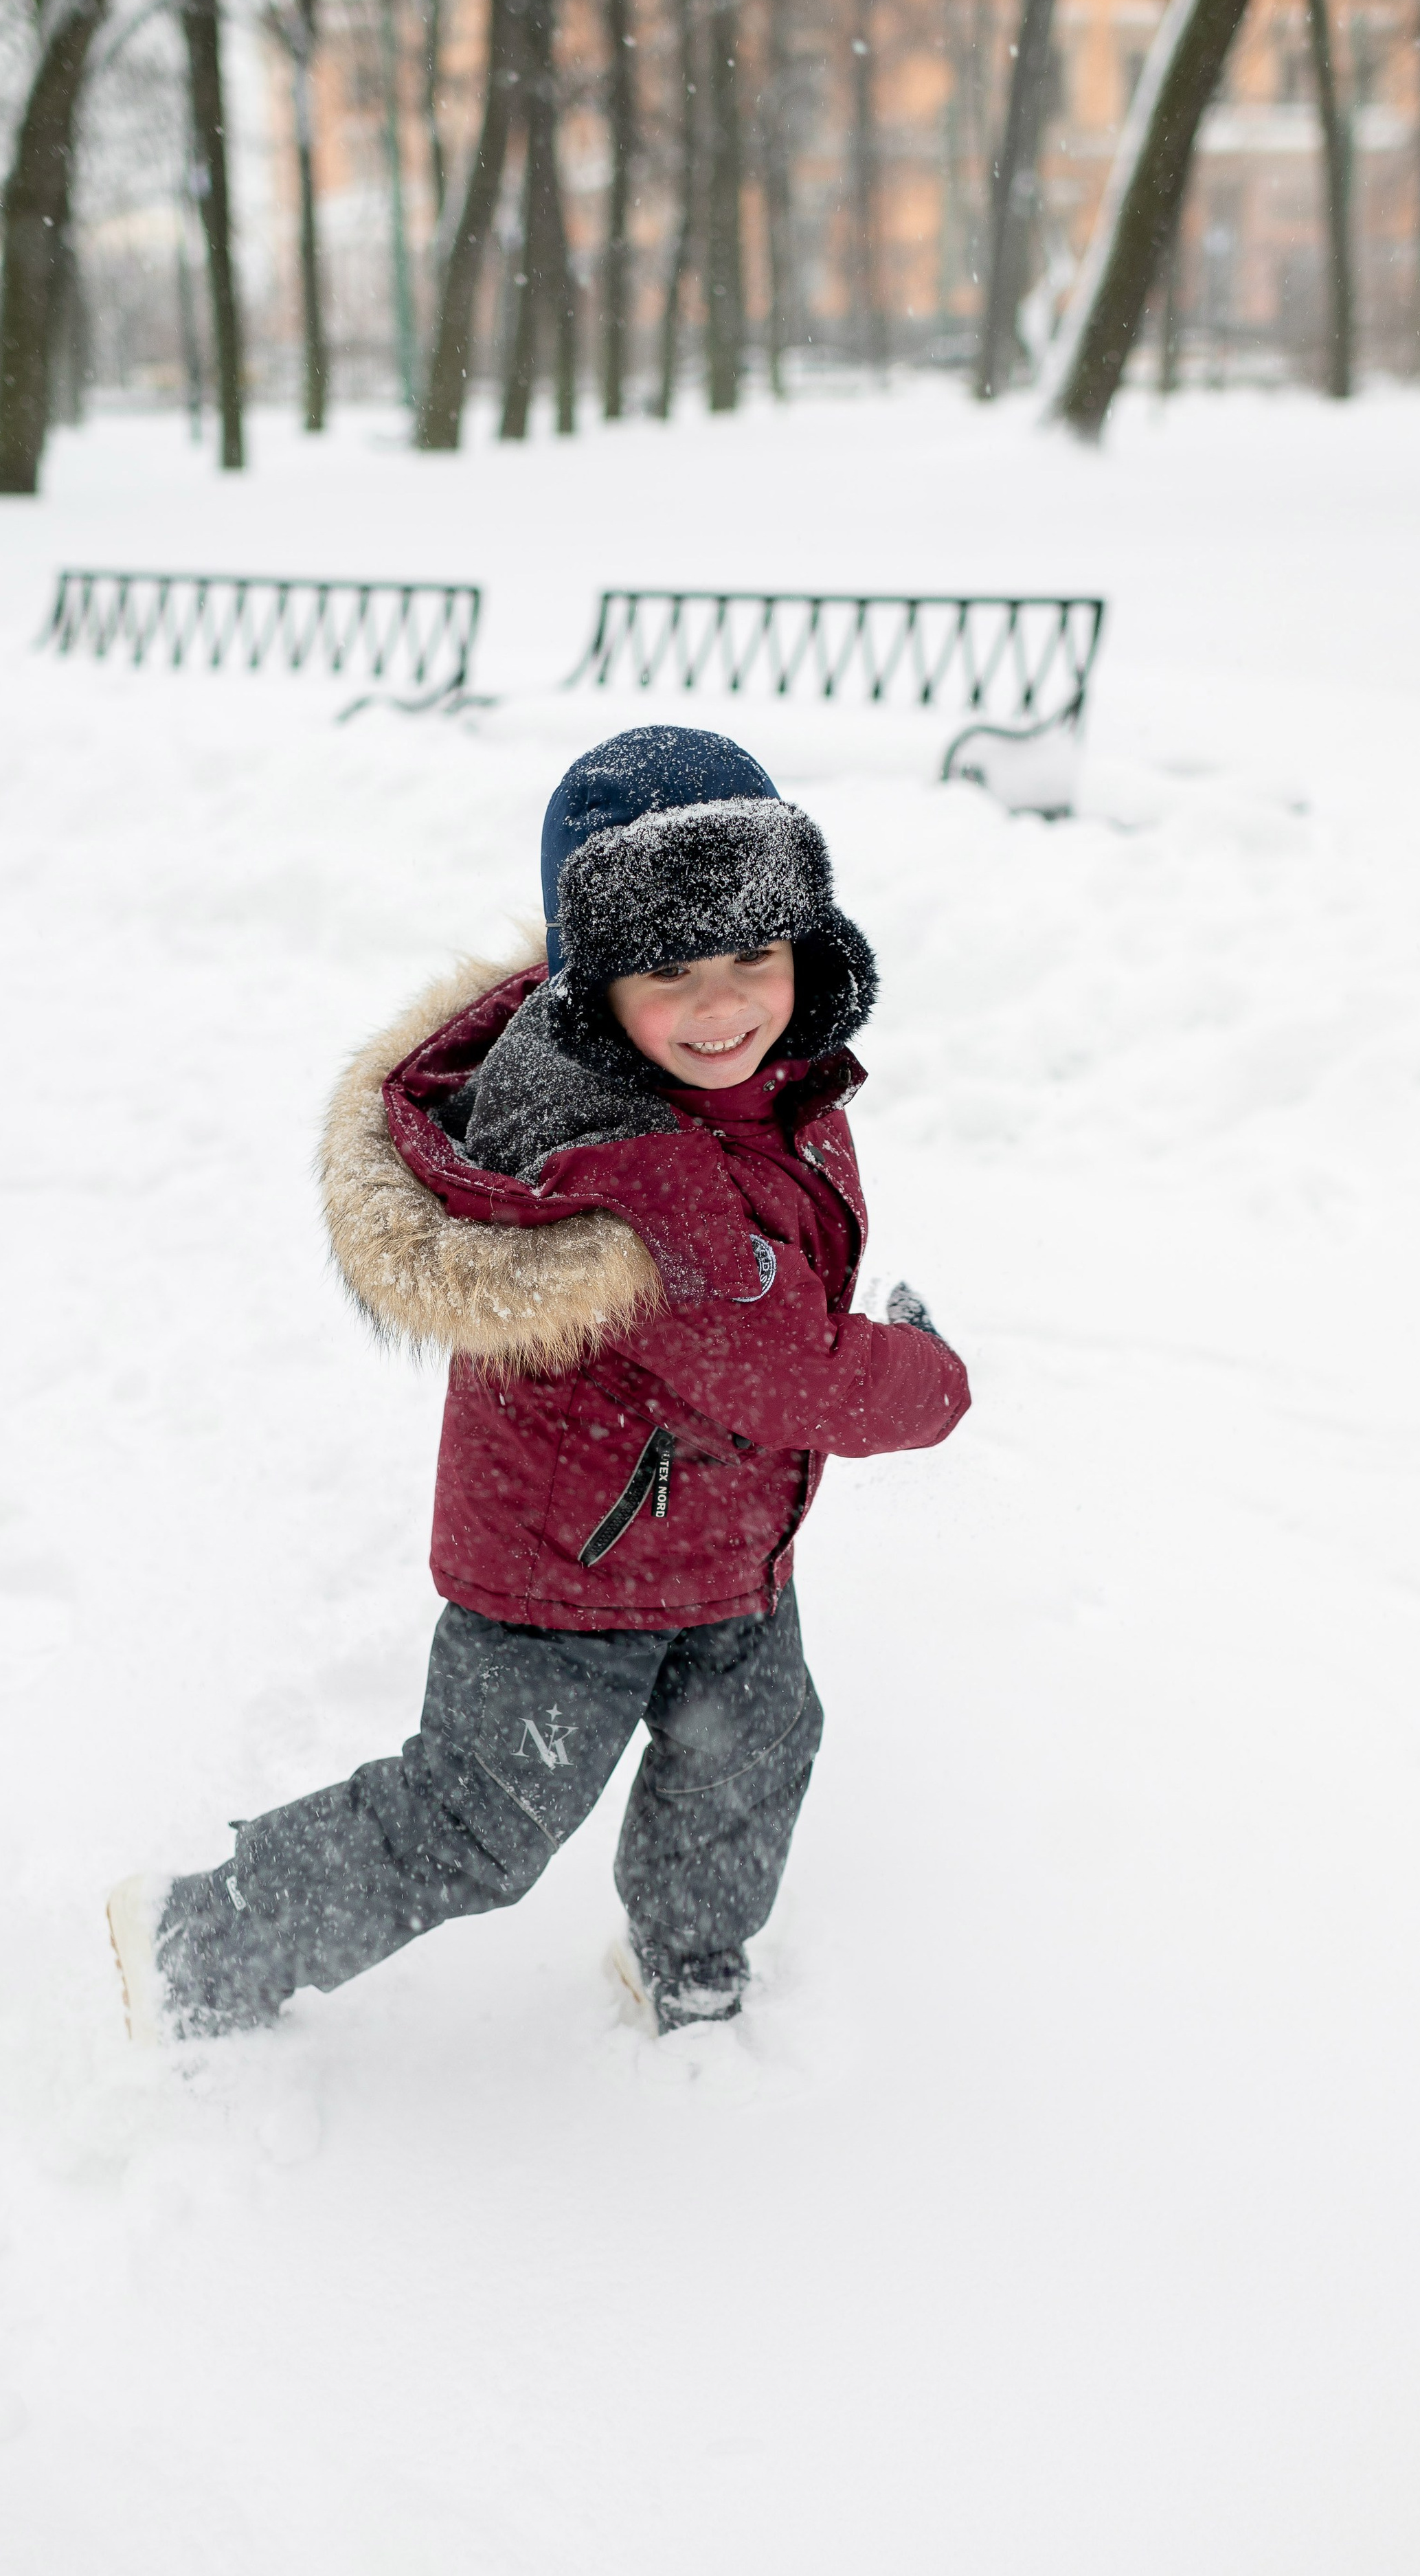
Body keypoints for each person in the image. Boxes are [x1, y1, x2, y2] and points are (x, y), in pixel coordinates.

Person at [106, 727, 970, 2041]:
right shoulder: (634, 1160)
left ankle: (691, 1961)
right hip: (573, 1568)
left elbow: (772, 1309)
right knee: (481, 1819)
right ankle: (203, 1941)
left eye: (755, 955)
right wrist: (927, 1376)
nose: (726, 1003)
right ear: (594, 979)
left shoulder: (749, 1081)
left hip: (720, 1532)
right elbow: (785, 1370)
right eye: (672, 971)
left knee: (750, 1750)